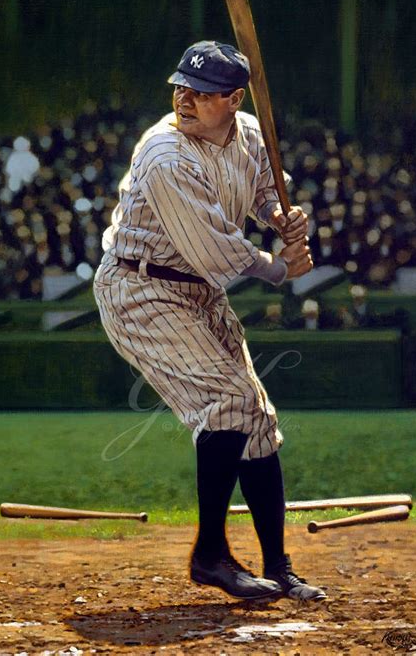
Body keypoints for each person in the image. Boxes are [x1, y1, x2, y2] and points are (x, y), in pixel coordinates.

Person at [94, 41, 326, 602]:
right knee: (227, 402)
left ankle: (278, 566)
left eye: (200, 92)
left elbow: (267, 187)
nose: (185, 98)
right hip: (140, 289)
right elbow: (217, 253)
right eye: (181, 87)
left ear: (234, 99)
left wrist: (281, 217)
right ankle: (210, 556)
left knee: (258, 420)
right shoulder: (165, 156)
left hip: (192, 291)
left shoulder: (245, 131)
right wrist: (281, 267)